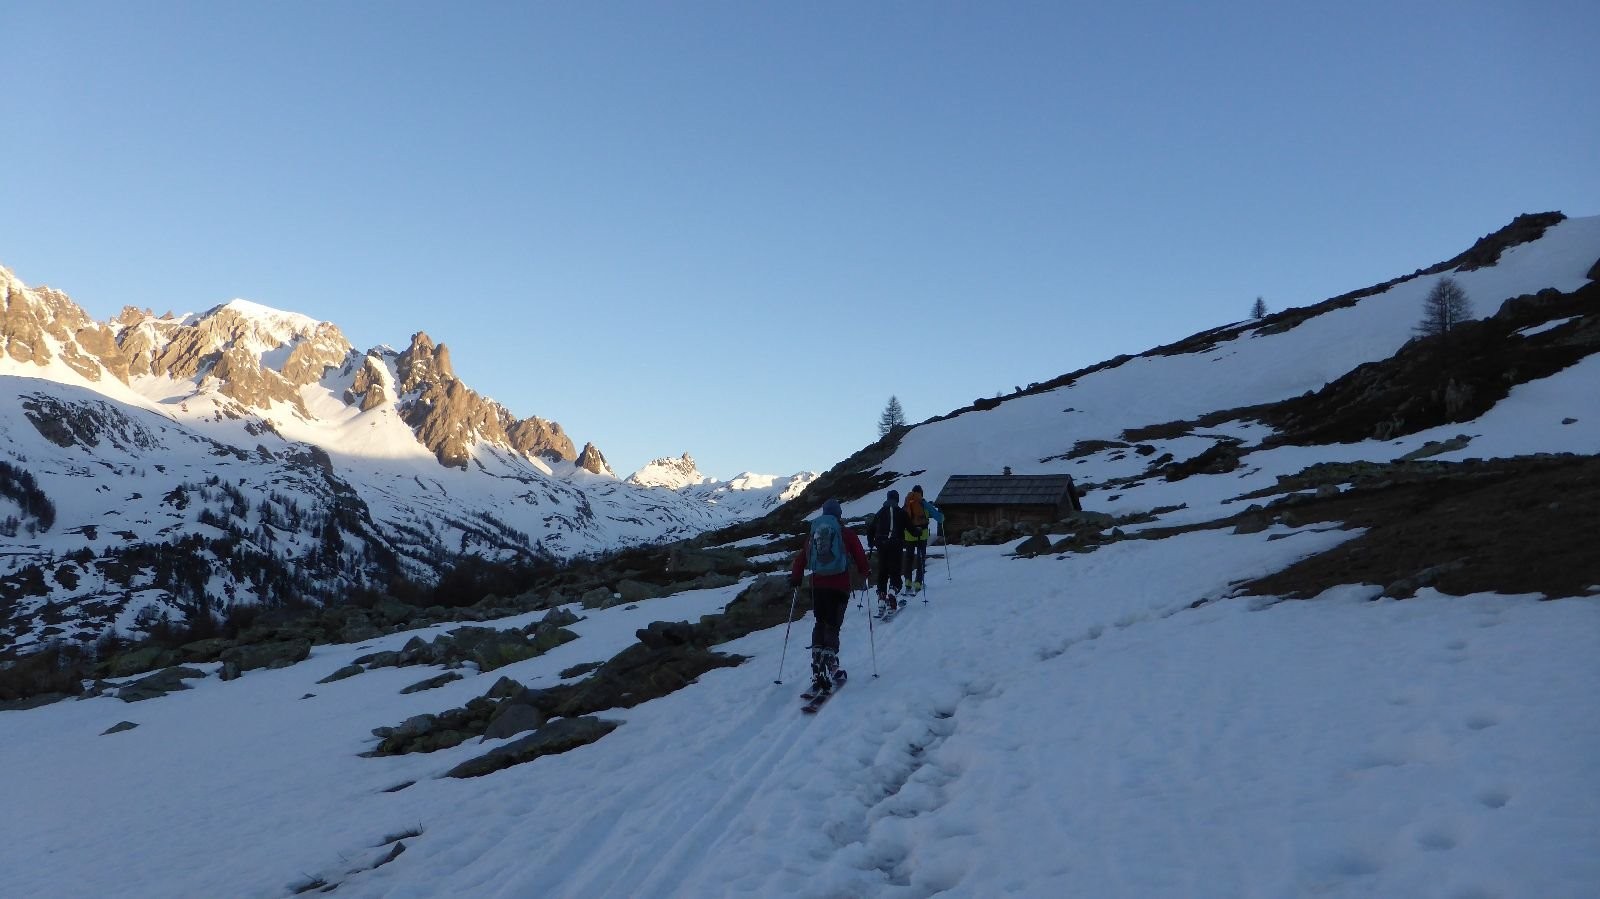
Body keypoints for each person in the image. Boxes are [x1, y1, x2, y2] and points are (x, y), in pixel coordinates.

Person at [789, 498, 870, 697]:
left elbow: (801, 558)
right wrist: (865, 571)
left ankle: (819, 663)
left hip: (818, 586)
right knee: (833, 625)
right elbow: (860, 556)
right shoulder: (846, 533)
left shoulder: (815, 533)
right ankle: (827, 664)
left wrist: (796, 577)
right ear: (839, 515)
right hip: (839, 587)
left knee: (820, 622)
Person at [866, 489, 912, 616]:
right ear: (897, 499)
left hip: (881, 545)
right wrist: (918, 533)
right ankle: (892, 595)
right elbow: (911, 529)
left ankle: (881, 600)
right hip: (896, 545)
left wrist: (871, 542)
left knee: (883, 572)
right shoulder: (901, 512)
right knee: (895, 571)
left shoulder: (880, 512)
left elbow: (870, 529)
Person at [901, 484, 944, 595]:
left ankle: (908, 583)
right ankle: (918, 584)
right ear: (921, 493)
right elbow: (939, 517)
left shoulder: (907, 503)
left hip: (909, 535)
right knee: (920, 558)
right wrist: (942, 517)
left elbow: (902, 517)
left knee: (909, 558)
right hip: (922, 535)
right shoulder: (923, 503)